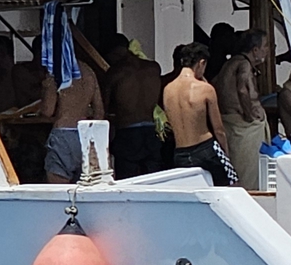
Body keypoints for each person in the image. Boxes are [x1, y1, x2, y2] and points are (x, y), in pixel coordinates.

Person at [164, 43, 236, 186]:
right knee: (233, 185)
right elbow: (219, 129)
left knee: (192, 190)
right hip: (205, 149)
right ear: (201, 63)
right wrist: (225, 154)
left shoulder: (168, 90)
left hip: (180, 153)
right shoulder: (205, 89)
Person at [38, 49, 106, 186]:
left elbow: (47, 111)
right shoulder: (88, 71)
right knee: (88, 186)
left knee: (59, 188)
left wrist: (45, 92)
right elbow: (99, 111)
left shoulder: (56, 72)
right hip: (86, 134)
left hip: (63, 134)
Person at [101, 36, 164, 179]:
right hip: (151, 130)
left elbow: (104, 106)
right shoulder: (153, 68)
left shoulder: (115, 72)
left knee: (128, 181)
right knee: (154, 180)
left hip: (127, 132)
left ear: (113, 53)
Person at [216, 28, 271, 182]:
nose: (267, 50)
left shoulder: (230, 63)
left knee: (240, 168)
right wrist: (249, 114)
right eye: (265, 46)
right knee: (248, 171)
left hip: (231, 121)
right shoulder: (244, 64)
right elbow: (242, 89)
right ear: (255, 50)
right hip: (243, 124)